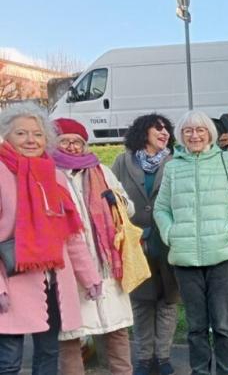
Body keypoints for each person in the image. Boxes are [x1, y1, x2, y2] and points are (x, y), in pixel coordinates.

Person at [0, 102, 101, 375]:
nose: (31, 140)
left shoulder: (54, 176)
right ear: (6, 136)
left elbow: (71, 236)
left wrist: (89, 277)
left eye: (37, 133)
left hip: (53, 282)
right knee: (8, 362)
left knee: (48, 356)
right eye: (21, 133)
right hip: (12, 281)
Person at [154, 110, 228, 375]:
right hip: (185, 258)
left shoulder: (227, 162)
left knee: (223, 325)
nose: (194, 135)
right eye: (188, 131)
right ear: (181, 135)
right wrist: (170, 233)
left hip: (223, 255)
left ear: (209, 134)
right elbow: (161, 208)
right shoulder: (173, 167)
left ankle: (225, 371)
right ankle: (200, 371)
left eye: (200, 130)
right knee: (196, 326)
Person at [51, 118, 135, 375]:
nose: (72, 147)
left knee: (117, 329)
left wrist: (117, 201)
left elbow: (128, 210)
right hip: (68, 267)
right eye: (65, 141)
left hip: (107, 264)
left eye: (77, 142)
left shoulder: (102, 171)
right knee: (71, 335)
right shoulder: (49, 173)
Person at [112, 114, 179, 375]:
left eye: (167, 129)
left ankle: (163, 358)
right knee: (141, 302)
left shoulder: (175, 161)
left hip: (166, 241)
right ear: (143, 132)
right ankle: (143, 358)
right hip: (134, 241)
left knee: (168, 301)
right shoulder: (122, 161)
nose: (164, 132)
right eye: (158, 128)